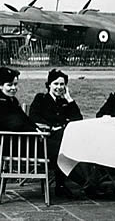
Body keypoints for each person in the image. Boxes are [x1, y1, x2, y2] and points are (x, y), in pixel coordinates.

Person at [29, 69, 86, 198]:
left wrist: (69, 99)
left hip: (62, 140)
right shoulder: (41, 98)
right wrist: (51, 127)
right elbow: (33, 117)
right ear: (49, 85)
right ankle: (82, 183)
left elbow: (78, 120)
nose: (59, 87)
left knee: (69, 146)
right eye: (56, 84)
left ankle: (64, 185)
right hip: (44, 141)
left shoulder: (65, 102)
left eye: (62, 85)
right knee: (64, 148)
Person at [0, 67, 37, 132]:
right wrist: (34, 131)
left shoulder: (13, 100)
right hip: (11, 138)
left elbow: (24, 118)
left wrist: (37, 128)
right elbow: (14, 125)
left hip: (19, 136)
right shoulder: (0, 102)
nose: (13, 88)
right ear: (0, 85)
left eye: (15, 84)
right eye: (9, 85)